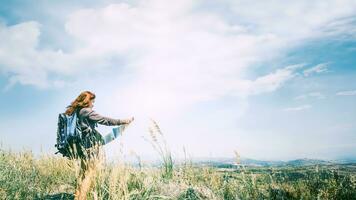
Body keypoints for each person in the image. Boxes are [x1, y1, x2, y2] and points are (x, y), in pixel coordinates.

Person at [64, 91, 134, 198]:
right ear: (87, 101)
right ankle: (81, 197)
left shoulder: (76, 112)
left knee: (82, 175)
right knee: (90, 174)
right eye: (92, 102)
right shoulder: (86, 111)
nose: (93, 104)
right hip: (90, 147)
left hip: (81, 147)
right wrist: (123, 121)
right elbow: (105, 120)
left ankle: (77, 197)